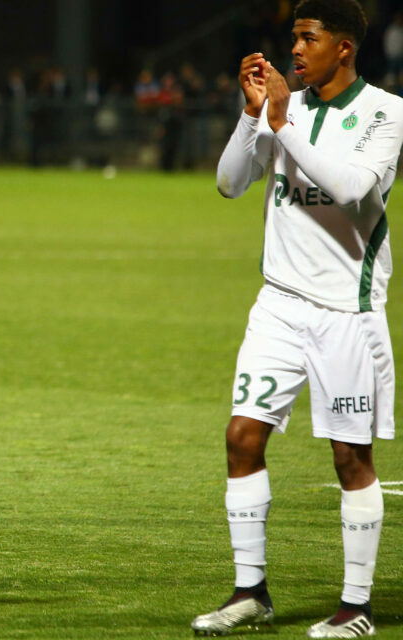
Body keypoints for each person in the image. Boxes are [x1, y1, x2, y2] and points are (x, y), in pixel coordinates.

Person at [193, 1, 400, 638]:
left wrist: (282, 124)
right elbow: (230, 184)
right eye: (293, 39)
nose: (295, 50)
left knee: (349, 458)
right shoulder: (289, 108)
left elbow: (351, 189)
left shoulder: (387, 113)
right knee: (241, 438)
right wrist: (252, 116)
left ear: (344, 47)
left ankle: (356, 607)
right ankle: (250, 591)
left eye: (308, 38)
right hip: (279, 305)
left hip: (347, 312)